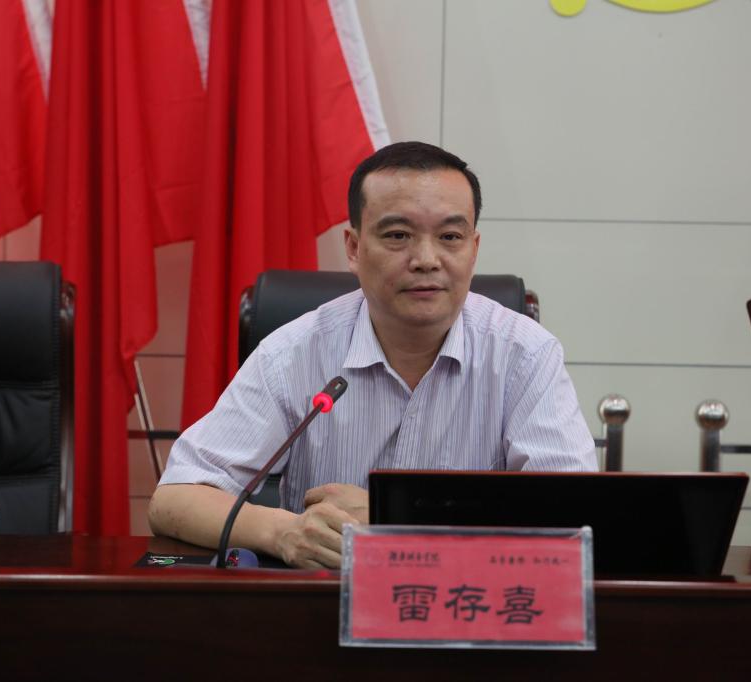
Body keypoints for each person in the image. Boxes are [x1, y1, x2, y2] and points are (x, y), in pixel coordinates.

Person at [148, 141, 597, 568]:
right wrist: (282, 532)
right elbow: (174, 499)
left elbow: (576, 519)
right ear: (354, 247)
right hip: (326, 607)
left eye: (450, 236)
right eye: (398, 235)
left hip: (472, 605)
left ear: (473, 249)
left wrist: (396, 520)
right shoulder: (293, 354)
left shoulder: (525, 355)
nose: (426, 259)